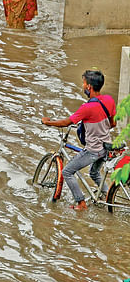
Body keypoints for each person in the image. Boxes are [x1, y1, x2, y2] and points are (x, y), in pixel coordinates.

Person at [41, 69, 116, 210]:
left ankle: (81, 203)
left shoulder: (87, 108)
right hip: (106, 146)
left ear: (89, 87)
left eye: (83, 83)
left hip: (94, 149)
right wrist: (98, 129)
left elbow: (66, 122)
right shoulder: (109, 100)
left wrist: (48, 122)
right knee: (94, 173)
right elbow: (113, 124)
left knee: (67, 172)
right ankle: (106, 196)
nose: (83, 86)